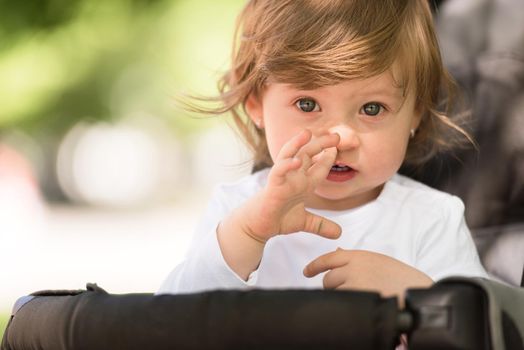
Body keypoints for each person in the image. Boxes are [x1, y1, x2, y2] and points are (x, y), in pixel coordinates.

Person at [158, 0, 488, 304]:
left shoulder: (432, 219)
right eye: (307, 104)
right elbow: (169, 323)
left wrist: (417, 295)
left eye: (372, 108)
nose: (341, 138)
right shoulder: (236, 209)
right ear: (256, 104)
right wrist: (247, 234)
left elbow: (480, 331)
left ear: (415, 113)